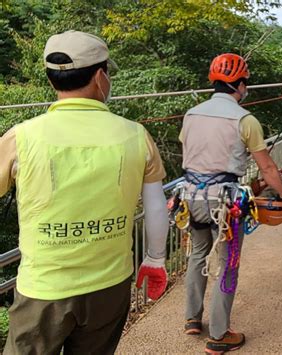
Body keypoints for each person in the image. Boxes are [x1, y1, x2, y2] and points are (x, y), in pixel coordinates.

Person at [0, 30, 169, 354]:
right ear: (100, 76)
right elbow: (156, 204)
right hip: (110, 286)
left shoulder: (21, 137)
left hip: (43, 290)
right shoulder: (136, 135)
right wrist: (155, 259)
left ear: (52, 80)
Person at [180, 53, 282, 354]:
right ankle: (219, 334)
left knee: (197, 254)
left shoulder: (191, 114)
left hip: (191, 196)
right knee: (227, 263)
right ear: (241, 85)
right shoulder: (245, 120)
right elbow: (268, 167)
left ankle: (192, 318)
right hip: (225, 201)